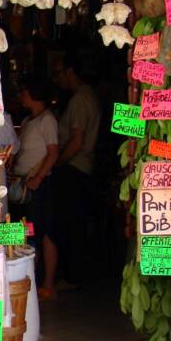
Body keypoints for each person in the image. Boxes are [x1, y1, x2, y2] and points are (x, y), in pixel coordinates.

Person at [53, 56, 101, 289]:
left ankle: (72, 277)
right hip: (80, 168)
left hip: (74, 168)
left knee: (71, 224)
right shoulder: (86, 96)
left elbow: (77, 140)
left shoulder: (80, 100)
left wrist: (57, 164)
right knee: (75, 223)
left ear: (71, 71)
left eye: (60, 72)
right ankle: (74, 275)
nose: (58, 78)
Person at [11, 79, 59, 299]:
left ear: (32, 93)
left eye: (24, 92)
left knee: (44, 233)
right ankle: (28, 281)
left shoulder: (47, 119)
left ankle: (47, 285)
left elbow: (53, 152)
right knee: (27, 231)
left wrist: (39, 177)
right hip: (24, 185)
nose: (21, 96)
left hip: (39, 185)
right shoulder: (29, 120)